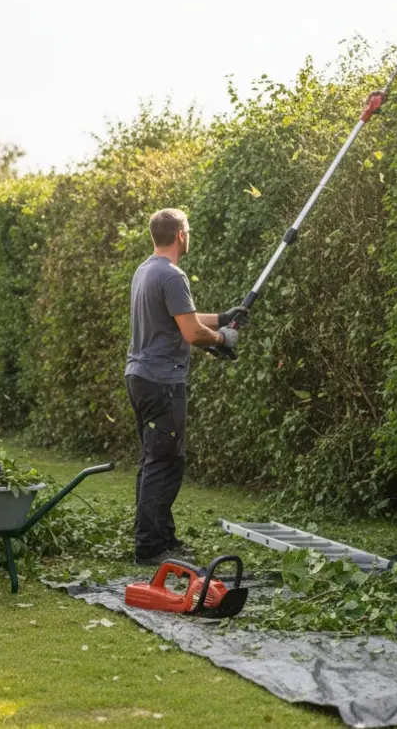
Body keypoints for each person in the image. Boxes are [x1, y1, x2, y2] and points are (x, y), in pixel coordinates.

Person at [125, 207, 247, 565]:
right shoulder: (173, 275)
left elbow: (185, 318)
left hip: (141, 377)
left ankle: (161, 537)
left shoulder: (146, 270)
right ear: (180, 235)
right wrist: (223, 339)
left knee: (154, 460)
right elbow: (193, 333)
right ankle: (150, 548)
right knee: (164, 463)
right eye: (188, 231)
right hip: (161, 381)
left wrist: (224, 319)